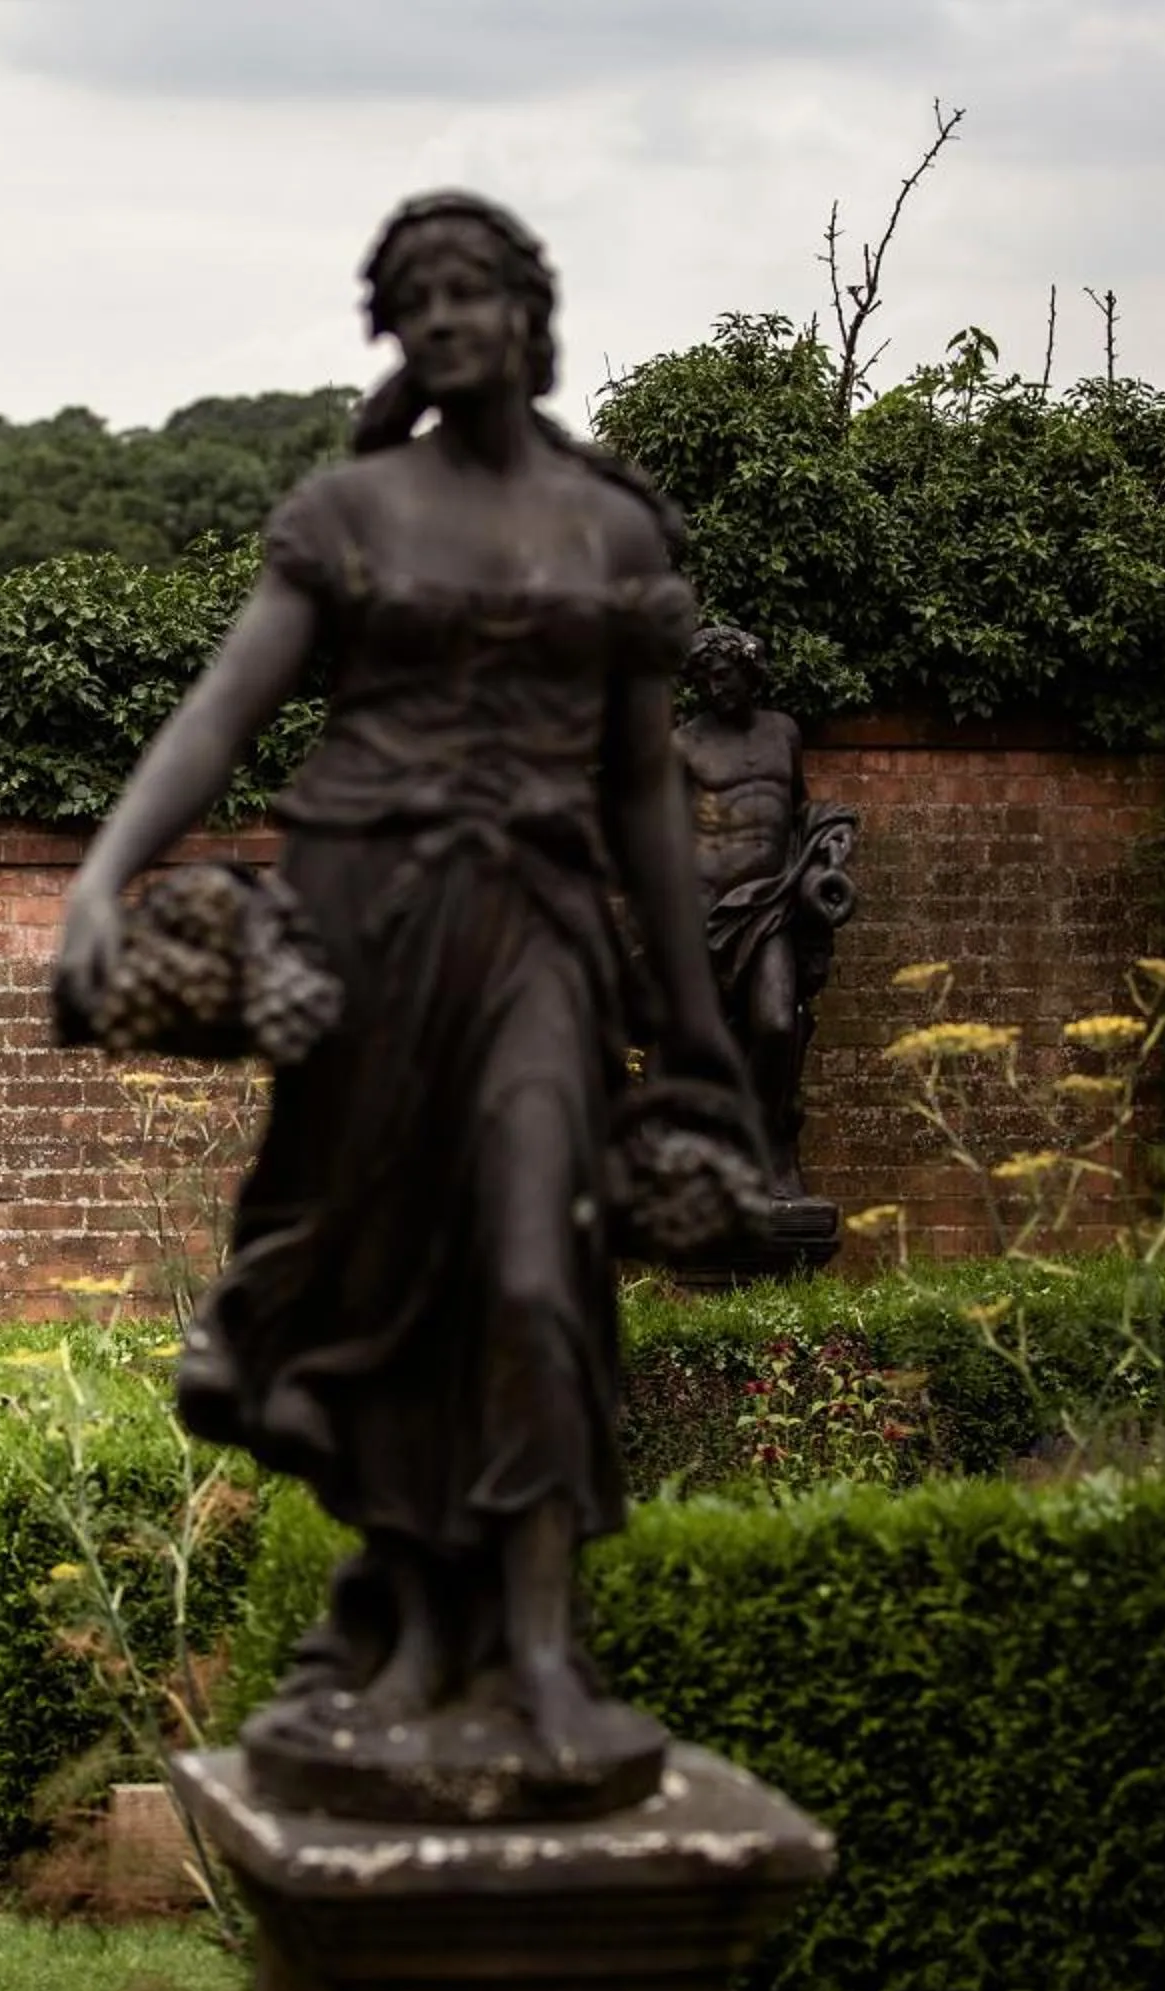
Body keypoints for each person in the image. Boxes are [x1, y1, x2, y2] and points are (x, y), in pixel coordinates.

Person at [53, 192, 760, 1810]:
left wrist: (700, 1015)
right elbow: (224, 715)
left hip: (537, 932)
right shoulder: (351, 510)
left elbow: (647, 793)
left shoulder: (614, 528)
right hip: (365, 924)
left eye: (470, 292)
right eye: (415, 298)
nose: (444, 319)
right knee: (384, 1289)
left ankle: (541, 1653)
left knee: (530, 1268)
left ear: (526, 315)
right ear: (397, 332)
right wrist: (102, 882)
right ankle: (424, 1637)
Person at [675, 624, 859, 1201]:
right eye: (703, 679)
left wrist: (827, 843)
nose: (713, 687)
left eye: (722, 675)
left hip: (772, 905)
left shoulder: (784, 733)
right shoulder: (683, 744)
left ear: (749, 673)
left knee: (779, 1025)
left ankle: (764, 1144)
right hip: (707, 914)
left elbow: (799, 808)